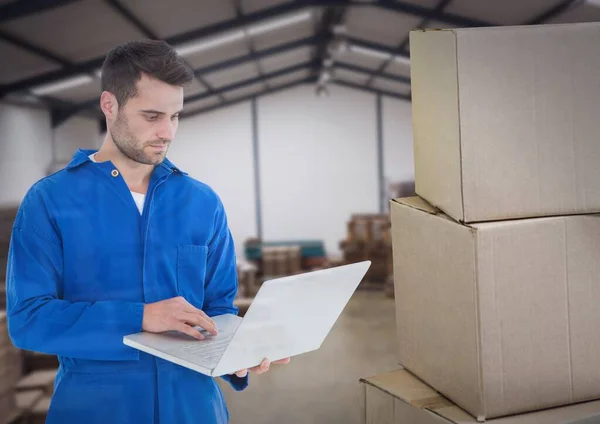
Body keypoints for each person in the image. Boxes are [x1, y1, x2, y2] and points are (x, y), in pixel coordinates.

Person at [6, 40, 289, 424]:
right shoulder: (50, 201)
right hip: (96, 409)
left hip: (194, 409)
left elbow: (218, 310)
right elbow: (29, 320)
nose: (167, 132)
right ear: (110, 105)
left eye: (176, 116)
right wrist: (138, 317)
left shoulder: (202, 202)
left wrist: (239, 353)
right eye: (152, 115)